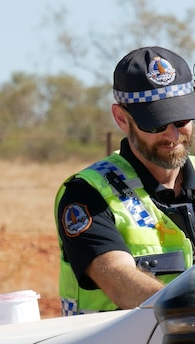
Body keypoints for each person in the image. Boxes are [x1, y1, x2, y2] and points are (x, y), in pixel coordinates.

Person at [55, 45, 195, 315]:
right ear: (122, 118)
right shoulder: (88, 193)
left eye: (181, 120)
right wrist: (186, 310)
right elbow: (119, 280)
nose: (173, 136)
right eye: (155, 124)